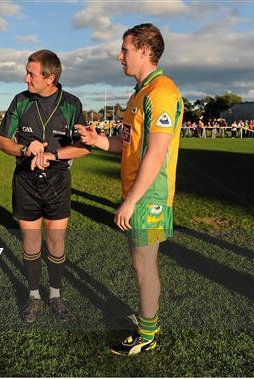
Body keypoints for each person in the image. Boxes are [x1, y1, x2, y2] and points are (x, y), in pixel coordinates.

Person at [77, 23, 183, 355]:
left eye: (124, 49)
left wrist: (131, 201)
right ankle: (148, 322)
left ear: (145, 51)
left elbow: (156, 153)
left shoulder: (162, 92)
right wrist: (97, 140)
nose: (119, 55)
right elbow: (129, 146)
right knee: (140, 260)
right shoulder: (139, 93)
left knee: (143, 261)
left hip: (149, 195)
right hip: (138, 191)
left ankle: (147, 333)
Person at [0, 49, 90, 324]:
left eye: (31, 73)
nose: (26, 78)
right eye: (27, 72)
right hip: (25, 181)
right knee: (31, 241)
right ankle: (34, 295)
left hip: (58, 182)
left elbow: (84, 148)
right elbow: (2, 142)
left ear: (50, 78)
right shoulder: (20, 101)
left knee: (56, 241)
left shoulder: (72, 104)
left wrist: (54, 155)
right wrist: (25, 148)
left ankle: (56, 294)